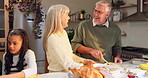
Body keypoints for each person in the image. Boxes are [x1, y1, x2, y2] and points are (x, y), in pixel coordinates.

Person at [43, 4, 95, 72]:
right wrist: (89, 68)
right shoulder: (52, 38)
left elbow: (70, 56)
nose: (69, 18)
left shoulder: (63, 33)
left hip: (67, 73)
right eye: (67, 15)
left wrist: (84, 61)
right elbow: (67, 64)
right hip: (58, 75)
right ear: (59, 17)